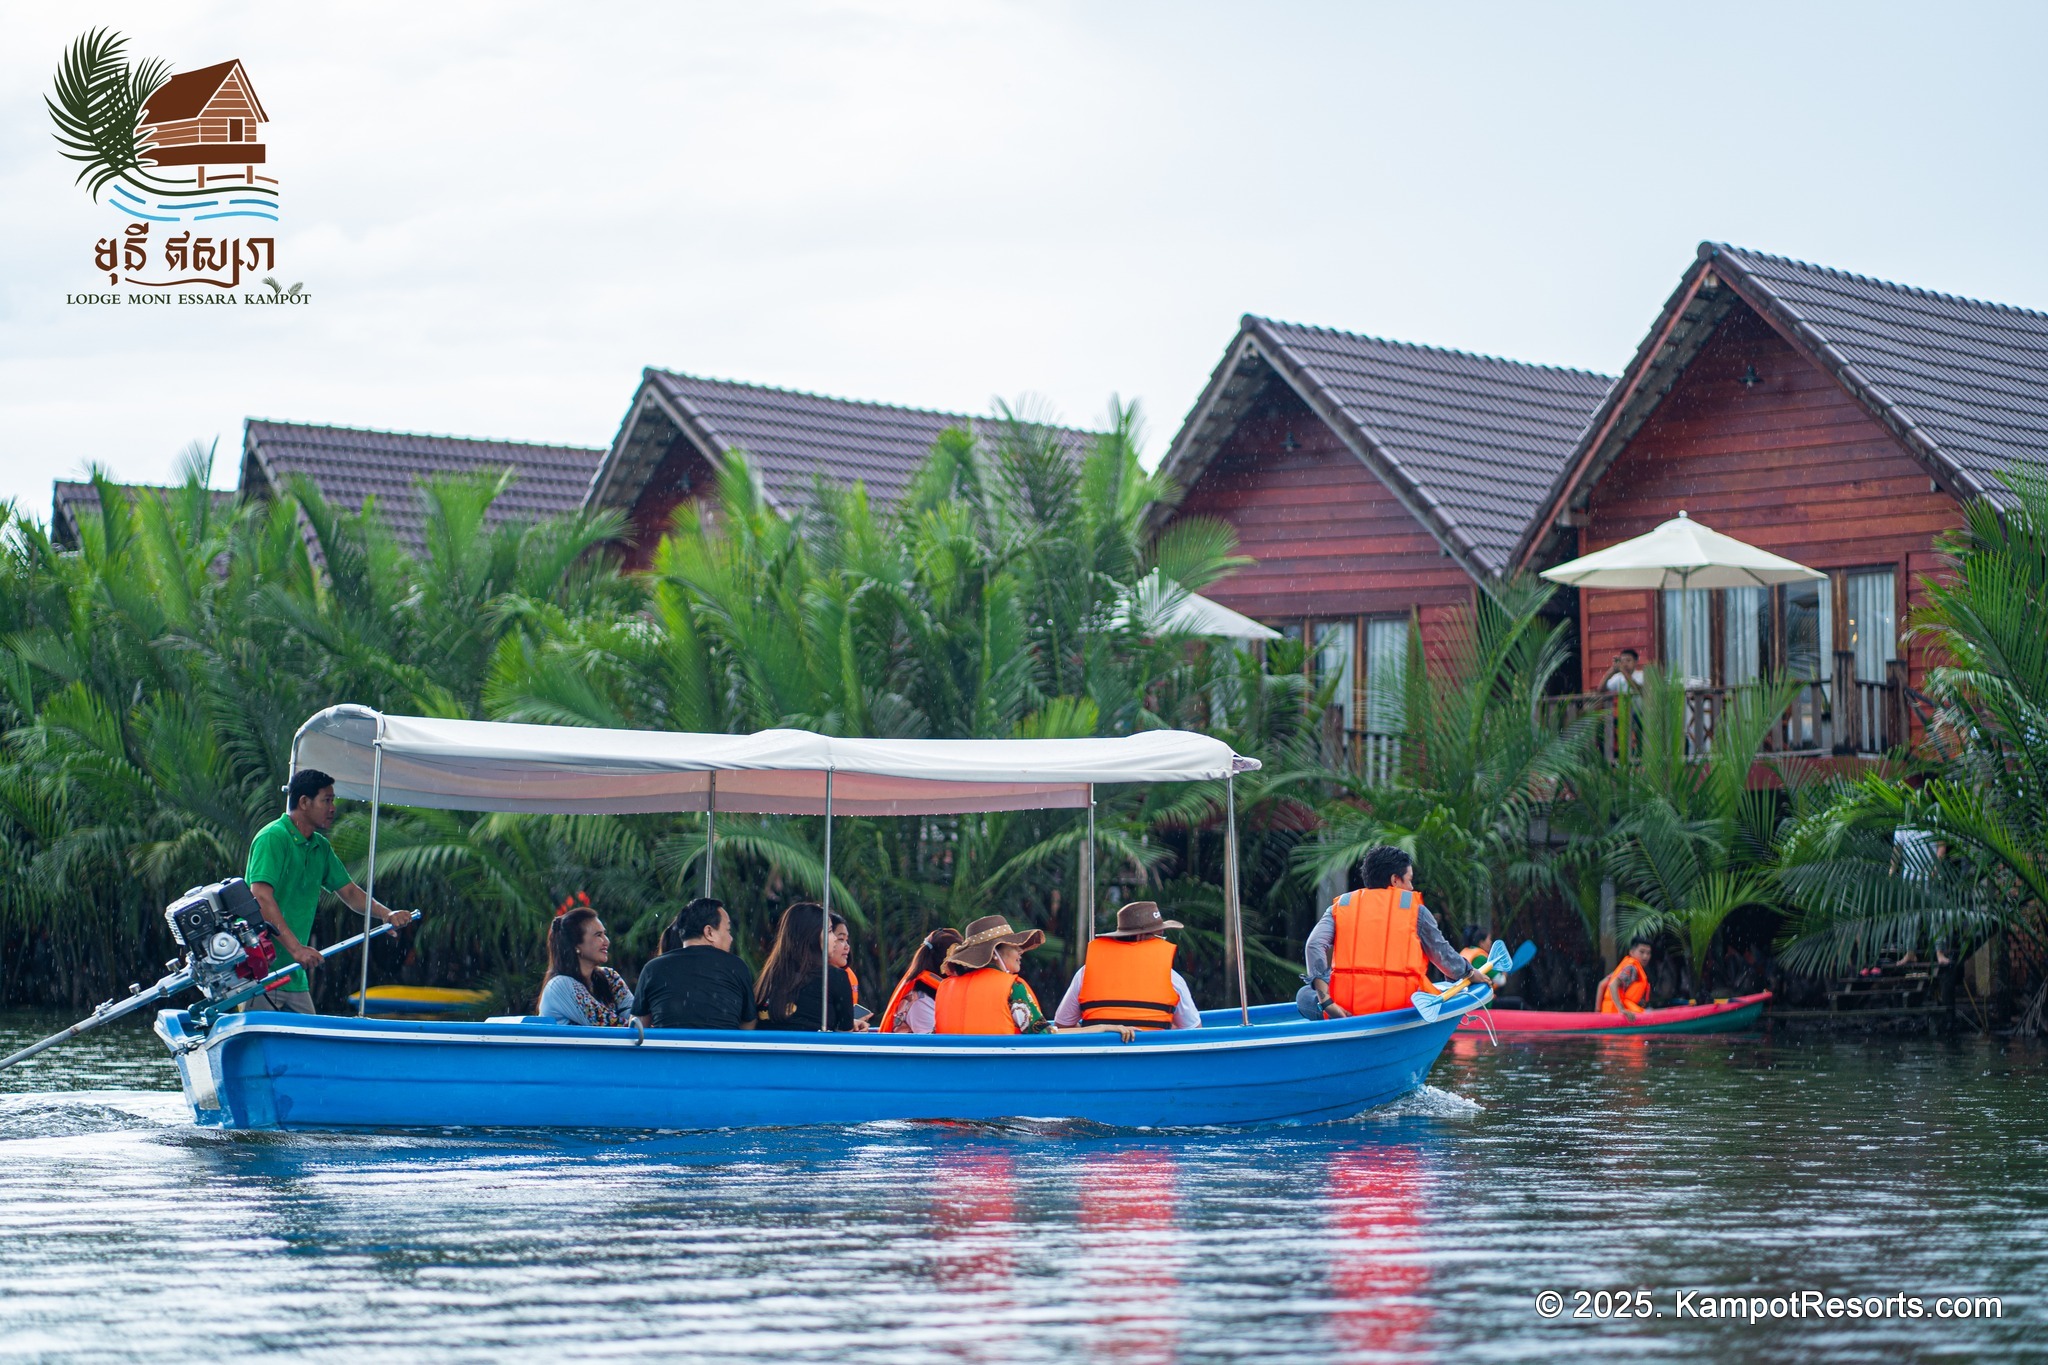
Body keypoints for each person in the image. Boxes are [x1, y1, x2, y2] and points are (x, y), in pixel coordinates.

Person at [243, 767, 414, 1014]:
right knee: (255, 1045)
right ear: (304, 802)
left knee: (311, 1047)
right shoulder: (272, 837)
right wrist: (296, 949)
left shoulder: (319, 846)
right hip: (259, 971)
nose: (333, 807)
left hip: (294, 975)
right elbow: (259, 897)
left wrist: (386, 914)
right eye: (327, 800)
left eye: (333, 800)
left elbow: (350, 892)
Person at [1300, 845, 1492, 1020]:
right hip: (1399, 1008)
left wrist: (1327, 1001)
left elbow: (1314, 945)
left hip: (1345, 1010)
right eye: (1409, 880)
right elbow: (1442, 954)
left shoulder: (1342, 906)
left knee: (1304, 996)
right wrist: (1469, 972)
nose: (1411, 887)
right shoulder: (1416, 911)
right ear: (1395, 879)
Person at [934, 915, 1135, 1040]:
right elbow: (1045, 1036)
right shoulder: (1013, 988)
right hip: (1000, 1074)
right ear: (994, 953)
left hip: (957, 1076)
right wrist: (1101, 1028)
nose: (1020, 951)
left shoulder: (944, 986)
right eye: (1014, 946)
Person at [1054, 901, 1202, 1030]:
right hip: (1150, 1058)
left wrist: (1091, 1031)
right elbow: (1195, 1031)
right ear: (1140, 936)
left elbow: (1062, 1024)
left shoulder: (1085, 973)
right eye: (1159, 935)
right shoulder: (1172, 978)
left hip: (1100, 1058)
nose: (1162, 941)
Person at [633, 896, 755, 1030]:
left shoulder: (652, 969)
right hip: (721, 1050)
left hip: (670, 1050)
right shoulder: (737, 967)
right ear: (709, 932)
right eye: (728, 930)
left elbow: (637, 1027)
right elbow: (749, 1024)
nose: (731, 938)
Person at [755, 902, 865, 1031]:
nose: (835, 938)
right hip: (813, 1050)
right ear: (812, 936)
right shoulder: (835, 977)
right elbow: (844, 1034)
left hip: (766, 1050)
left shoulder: (769, 977)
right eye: (829, 931)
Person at [537, 897, 635, 1026]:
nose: (607, 941)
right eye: (598, 935)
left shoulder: (610, 978)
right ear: (576, 945)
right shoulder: (560, 985)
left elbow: (636, 1016)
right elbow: (607, 1025)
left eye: (605, 934)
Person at [879, 928, 963, 1033]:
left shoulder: (937, 994)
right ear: (946, 966)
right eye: (960, 964)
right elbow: (933, 1046)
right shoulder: (921, 1001)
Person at [1598, 938, 1655, 1018]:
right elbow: (1613, 985)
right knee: (1650, 1012)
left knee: (1650, 1010)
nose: (1645, 956)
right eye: (1642, 952)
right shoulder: (1631, 968)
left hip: (1608, 1014)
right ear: (1631, 952)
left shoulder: (1624, 967)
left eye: (1648, 953)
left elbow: (1601, 984)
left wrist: (1598, 1013)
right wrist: (1621, 1009)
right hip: (1619, 1016)